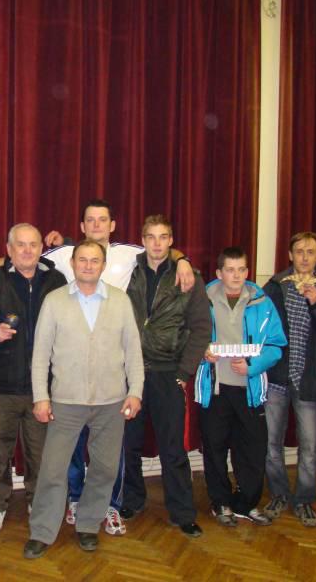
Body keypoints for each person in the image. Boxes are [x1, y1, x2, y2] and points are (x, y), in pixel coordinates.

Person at [0, 199, 194, 536]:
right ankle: (73, 503)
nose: (96, 225)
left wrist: (184, 260)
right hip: (69, 382)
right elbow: (24, 254)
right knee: (68, 455)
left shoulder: (129, 255)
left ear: (112, 226)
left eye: (102, 219)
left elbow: (161, 249)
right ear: (79, 231)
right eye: (90, 220)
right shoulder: (62, 257)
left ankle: (107, 507)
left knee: (110, 457)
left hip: (112, 378)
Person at [23, 240, 143, 559]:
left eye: (94, 260)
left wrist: (135, 391)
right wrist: (41, 397)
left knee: (105, 468)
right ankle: (42, 531)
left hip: (111, 401)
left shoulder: (120, 301)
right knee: (52, 470)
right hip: (66, 401)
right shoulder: (55, 301)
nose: (88, 265)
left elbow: (133, 350)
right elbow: (40, 355)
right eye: (83, 260)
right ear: (73, 263)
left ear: (103, 265)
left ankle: (89, 524)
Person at [0, 223, 67, 533]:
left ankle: (40, 501)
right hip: (1, 383)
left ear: (41, 248)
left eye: (33, 244)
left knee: (41, 452)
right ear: (8, 250)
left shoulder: (56, 280)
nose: (27, 250)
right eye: (20, 245)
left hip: (42, 387)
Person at [121, 215, 210, 537]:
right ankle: (131, 499)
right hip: (130, 372)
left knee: (173, 447)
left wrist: (184, 372)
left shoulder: (189, 277)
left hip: (167, 372)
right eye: (151, 237)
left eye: (163, 237)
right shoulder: (126, 271)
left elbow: (201, 328)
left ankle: (182, 512)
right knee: (128, 443)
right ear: (142, 240)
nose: (157, 243)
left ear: (171, 241)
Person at [194, 246, 286, 527]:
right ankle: (220, 503)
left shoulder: (262, 302)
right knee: (215, 448)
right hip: (214, 388)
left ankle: (246, 503)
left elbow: (276, 345)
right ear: (219, 272)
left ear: (247, 271)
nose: (236, 275)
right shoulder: (202, 299)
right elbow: (188, 335)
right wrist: (202, 351)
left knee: (253, 449)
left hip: (250, 389)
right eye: (230, 270)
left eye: (241, 269)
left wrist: (253, 365)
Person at [261, 232, 316, 527]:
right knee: (271, 442)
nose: (304, 257)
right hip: (277, 377)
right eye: (299, 251)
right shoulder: (275, 286)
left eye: (310, 252)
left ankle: (305, 500)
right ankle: (279, 494)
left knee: (309, 446)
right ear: (290, 255)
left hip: (310, 378)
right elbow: (262, 327)